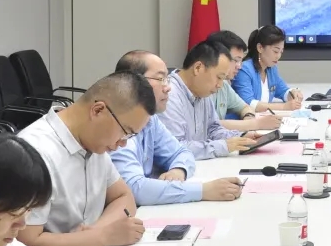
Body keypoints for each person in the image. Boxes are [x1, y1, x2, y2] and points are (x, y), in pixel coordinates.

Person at [16, 71, 151, 246]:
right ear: (98, 110)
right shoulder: (34, 152)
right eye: (125, 132)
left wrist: (95, 232)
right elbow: (27, 244)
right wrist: (102, 237)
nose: (123, 143)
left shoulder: (94, 142)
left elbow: (123, 196)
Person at [110, 50, 243, 205]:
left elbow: (182, 152)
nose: (168, 87)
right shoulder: (116, 126)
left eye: (167, 79)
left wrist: (179, 169)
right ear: (130, 82)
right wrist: (203, 191)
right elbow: (134, 189)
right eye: (160, 79)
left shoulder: (151, 120)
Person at [163, 40, 259, 160]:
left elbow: (213, 129)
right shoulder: (168, 95)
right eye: (219, 77)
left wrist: (241, 137)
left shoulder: (202, 91)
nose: (220, 85)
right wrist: (223, 146)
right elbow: (175, 147)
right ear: (198, 68)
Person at [206, 30, 281, 132]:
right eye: (236, 60)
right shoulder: (203, 87)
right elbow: (210, 125)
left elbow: (245, 107)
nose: (239, 66)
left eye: (240, 61)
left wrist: (249, 119)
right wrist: (254, 124)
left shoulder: (224, 85)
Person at [231, 25, 303, 113]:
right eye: (275, 51)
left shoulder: (271, 69)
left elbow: (283, 91)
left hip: (262, 119)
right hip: (242, 120)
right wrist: (283, 107)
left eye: (281, 52)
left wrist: (293, 94)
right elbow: (248, 103)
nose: (278, 56)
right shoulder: (244, 69)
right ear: (260, 48)